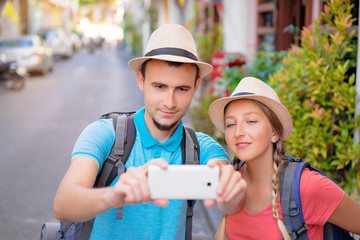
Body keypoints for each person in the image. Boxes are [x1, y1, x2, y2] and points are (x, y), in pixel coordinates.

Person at [53, 24, 247, 240]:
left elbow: (229, 204)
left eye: (182, 89)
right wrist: (114, 195)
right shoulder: (104, 134)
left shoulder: (204, 148)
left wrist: (233, 192)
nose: (170, 102)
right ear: (140, 80)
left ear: (196, 86)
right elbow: (63, 203)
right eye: (160, 87)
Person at [208, 77, 360, 239]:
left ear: (275, 133)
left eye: (251, 121)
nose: (238, 132)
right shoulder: (230, 182)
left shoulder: (308, 186)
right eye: (230, 124)